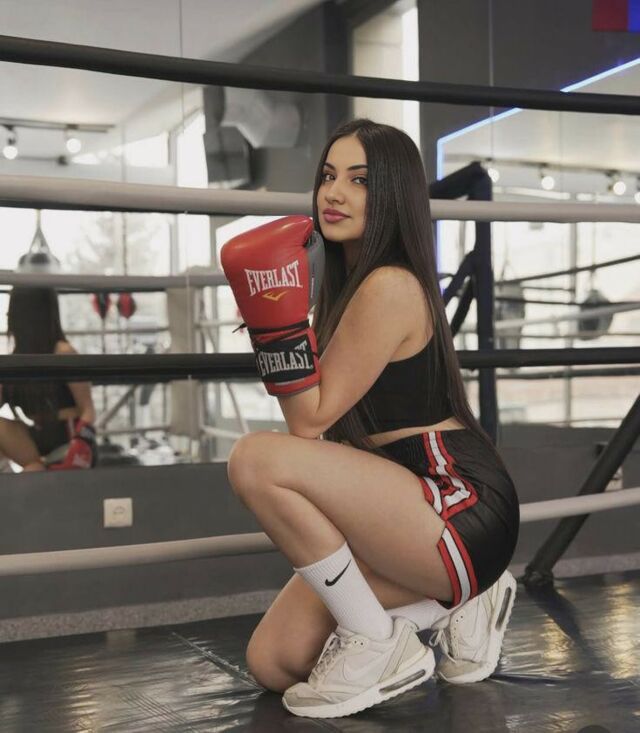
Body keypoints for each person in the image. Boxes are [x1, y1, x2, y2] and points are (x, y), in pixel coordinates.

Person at [222, 119, 519, 718]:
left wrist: (272, 322)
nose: (334, 193)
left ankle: (377, 641)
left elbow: (307, 424)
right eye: (328, 176)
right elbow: (322, 432)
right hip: (399, 502)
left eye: (359, 180)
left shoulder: (389, 286)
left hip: (454, 502)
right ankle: (463, 601)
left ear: (393, 195)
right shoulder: (344, 291)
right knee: (274, 661)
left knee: (254, 459)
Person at [0, 287, 97, 471]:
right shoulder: (16, 360)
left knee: (33, 471)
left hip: (69, 443)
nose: (7, 316)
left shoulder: (63, 353)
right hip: (36, 445)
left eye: (13, 311)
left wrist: (81, 444)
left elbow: (88, 409)